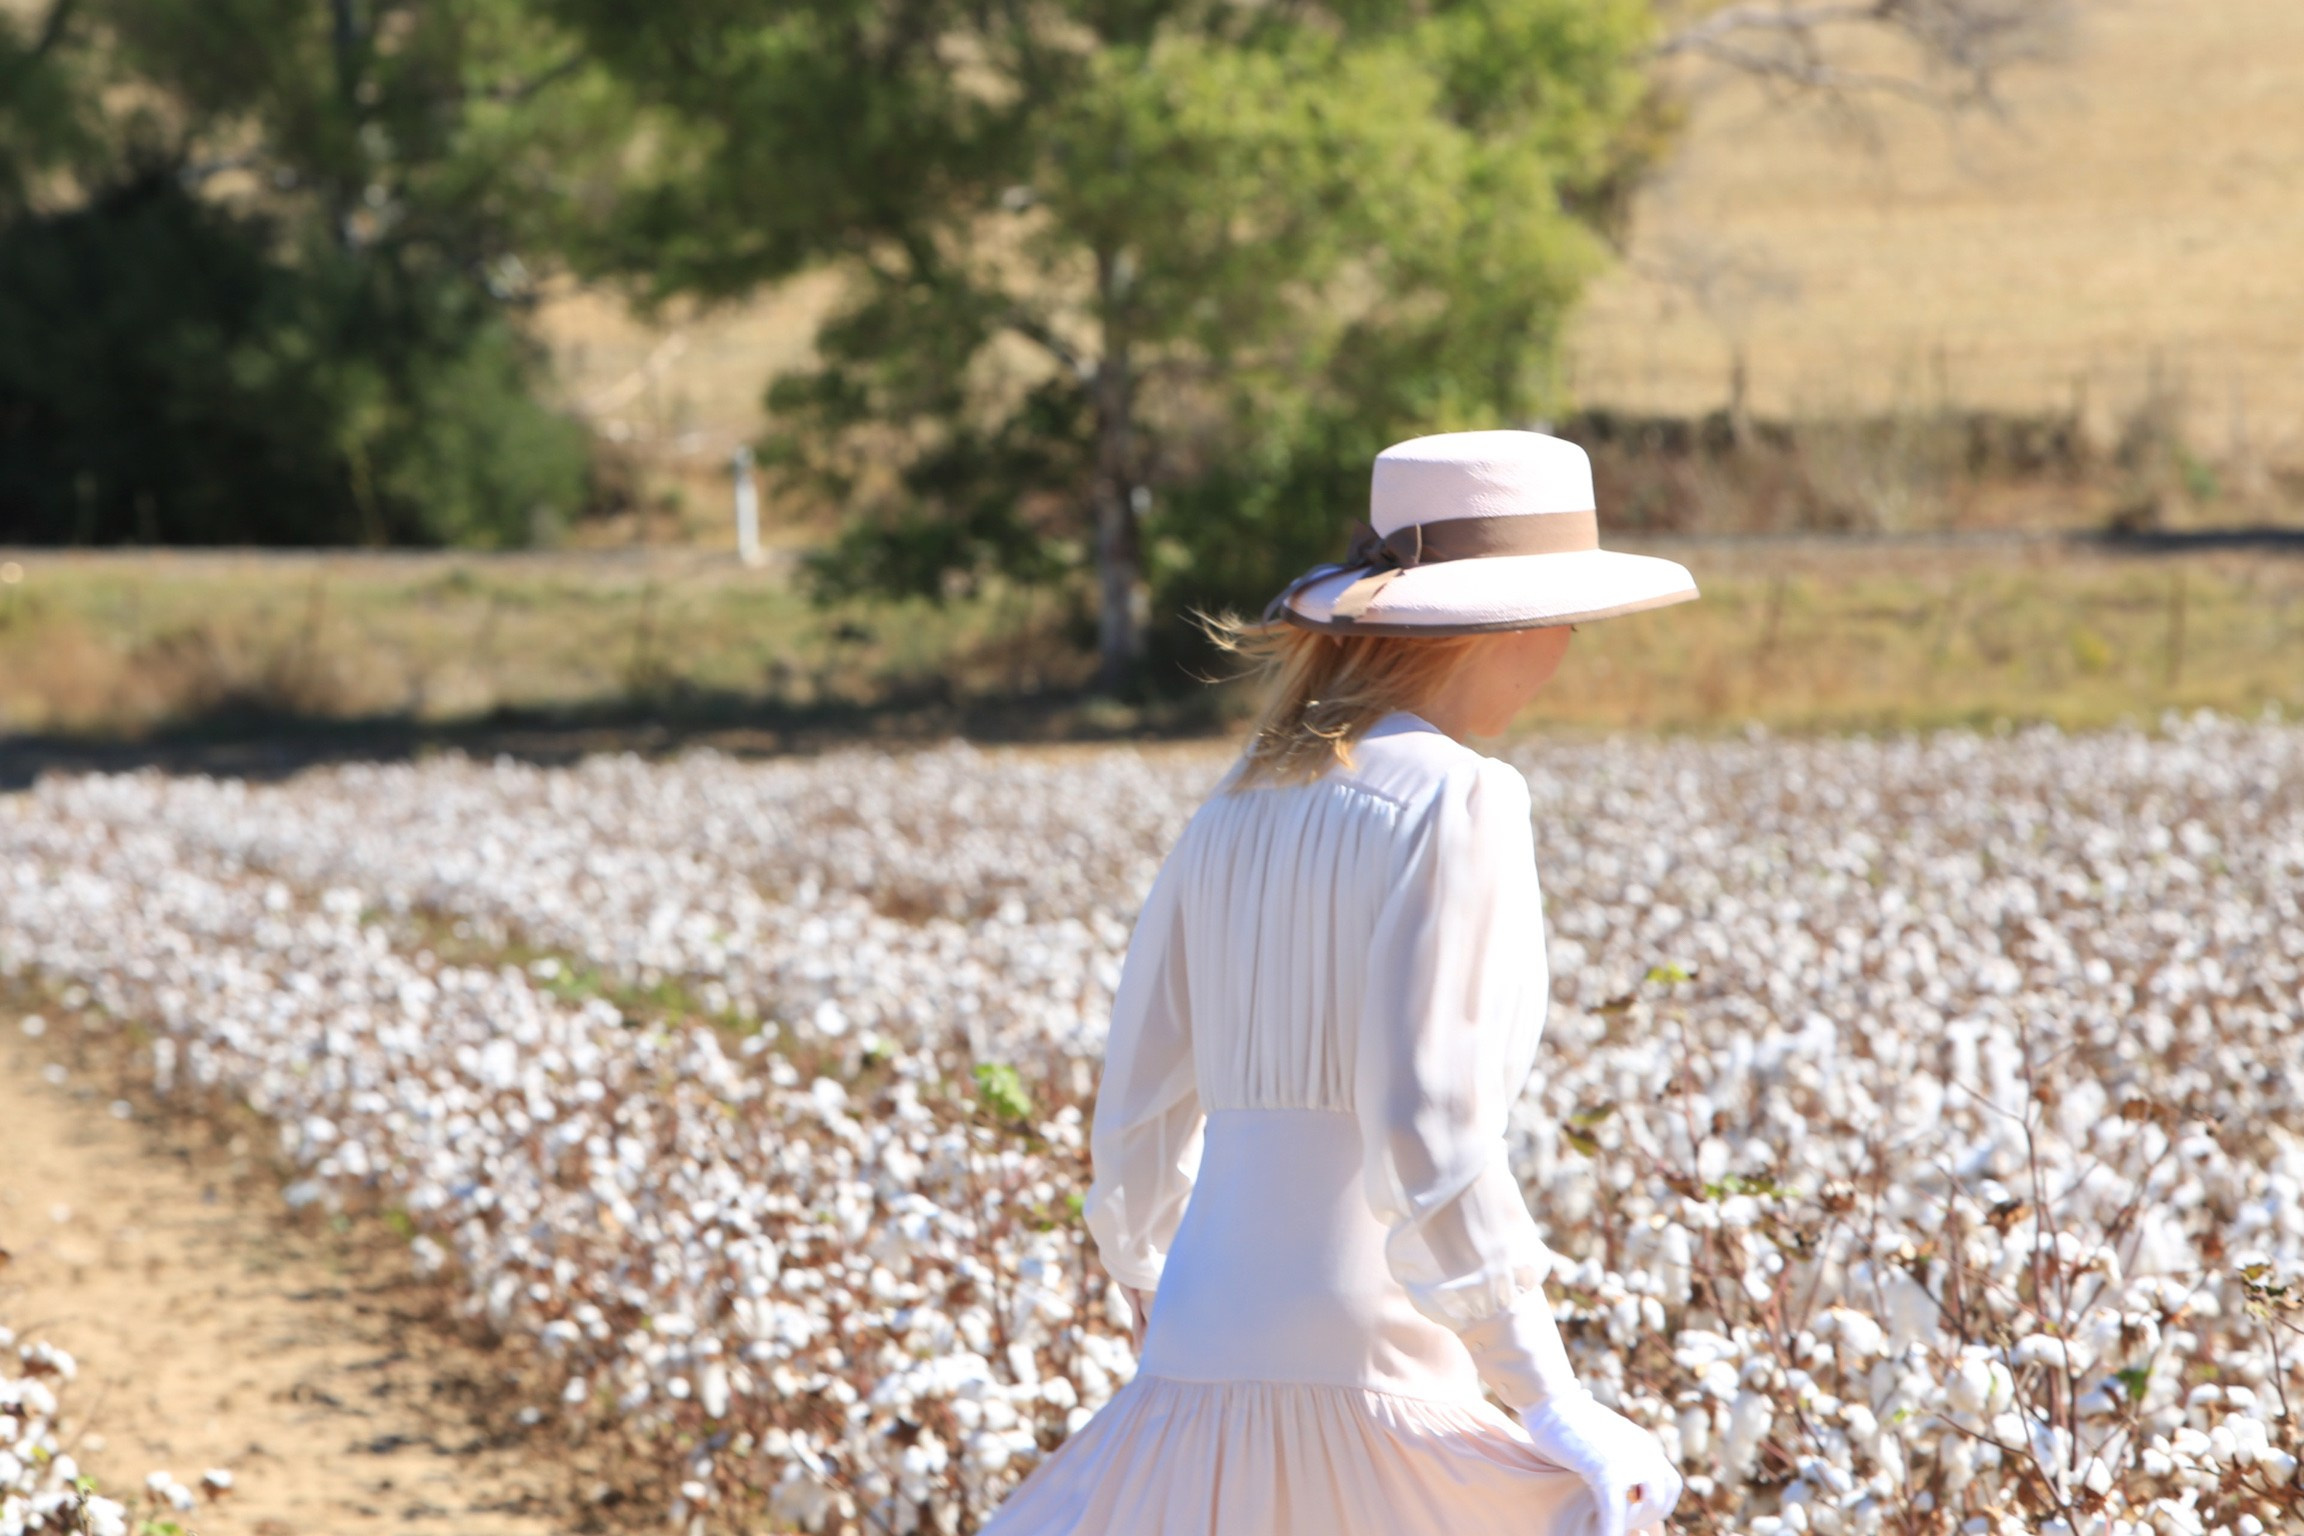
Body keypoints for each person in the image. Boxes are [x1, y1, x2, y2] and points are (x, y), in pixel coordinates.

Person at [983, 430, 1699, 1536]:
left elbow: (1132, 1115)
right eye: (1565, 618)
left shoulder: (1233, 802)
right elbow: (1430, 1131)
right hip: (1375, 1348)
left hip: (1196, 1349)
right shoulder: (1462, 800)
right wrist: (1546, 1393)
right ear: (1501, 627)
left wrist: (1174, 1297)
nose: (1565, 645)